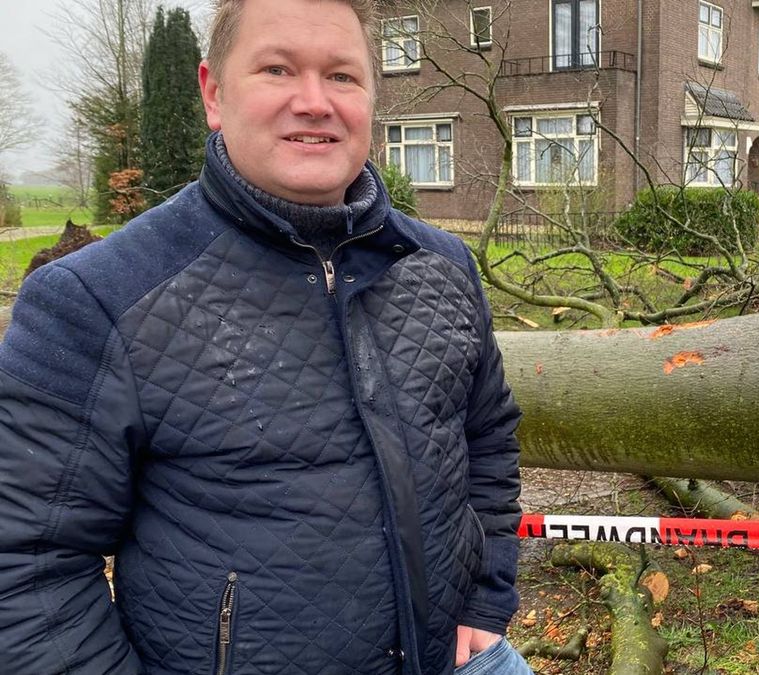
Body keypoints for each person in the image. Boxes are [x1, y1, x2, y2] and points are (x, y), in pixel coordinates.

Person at [0, 0, 531, 673]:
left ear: (372, 97)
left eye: (341, 75)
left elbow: (487, 438)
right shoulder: (95, 300)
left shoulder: (444, 266)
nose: (314, 101)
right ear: (214, 93)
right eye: (278, 68)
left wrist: (487, 600)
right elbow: (24, 563)